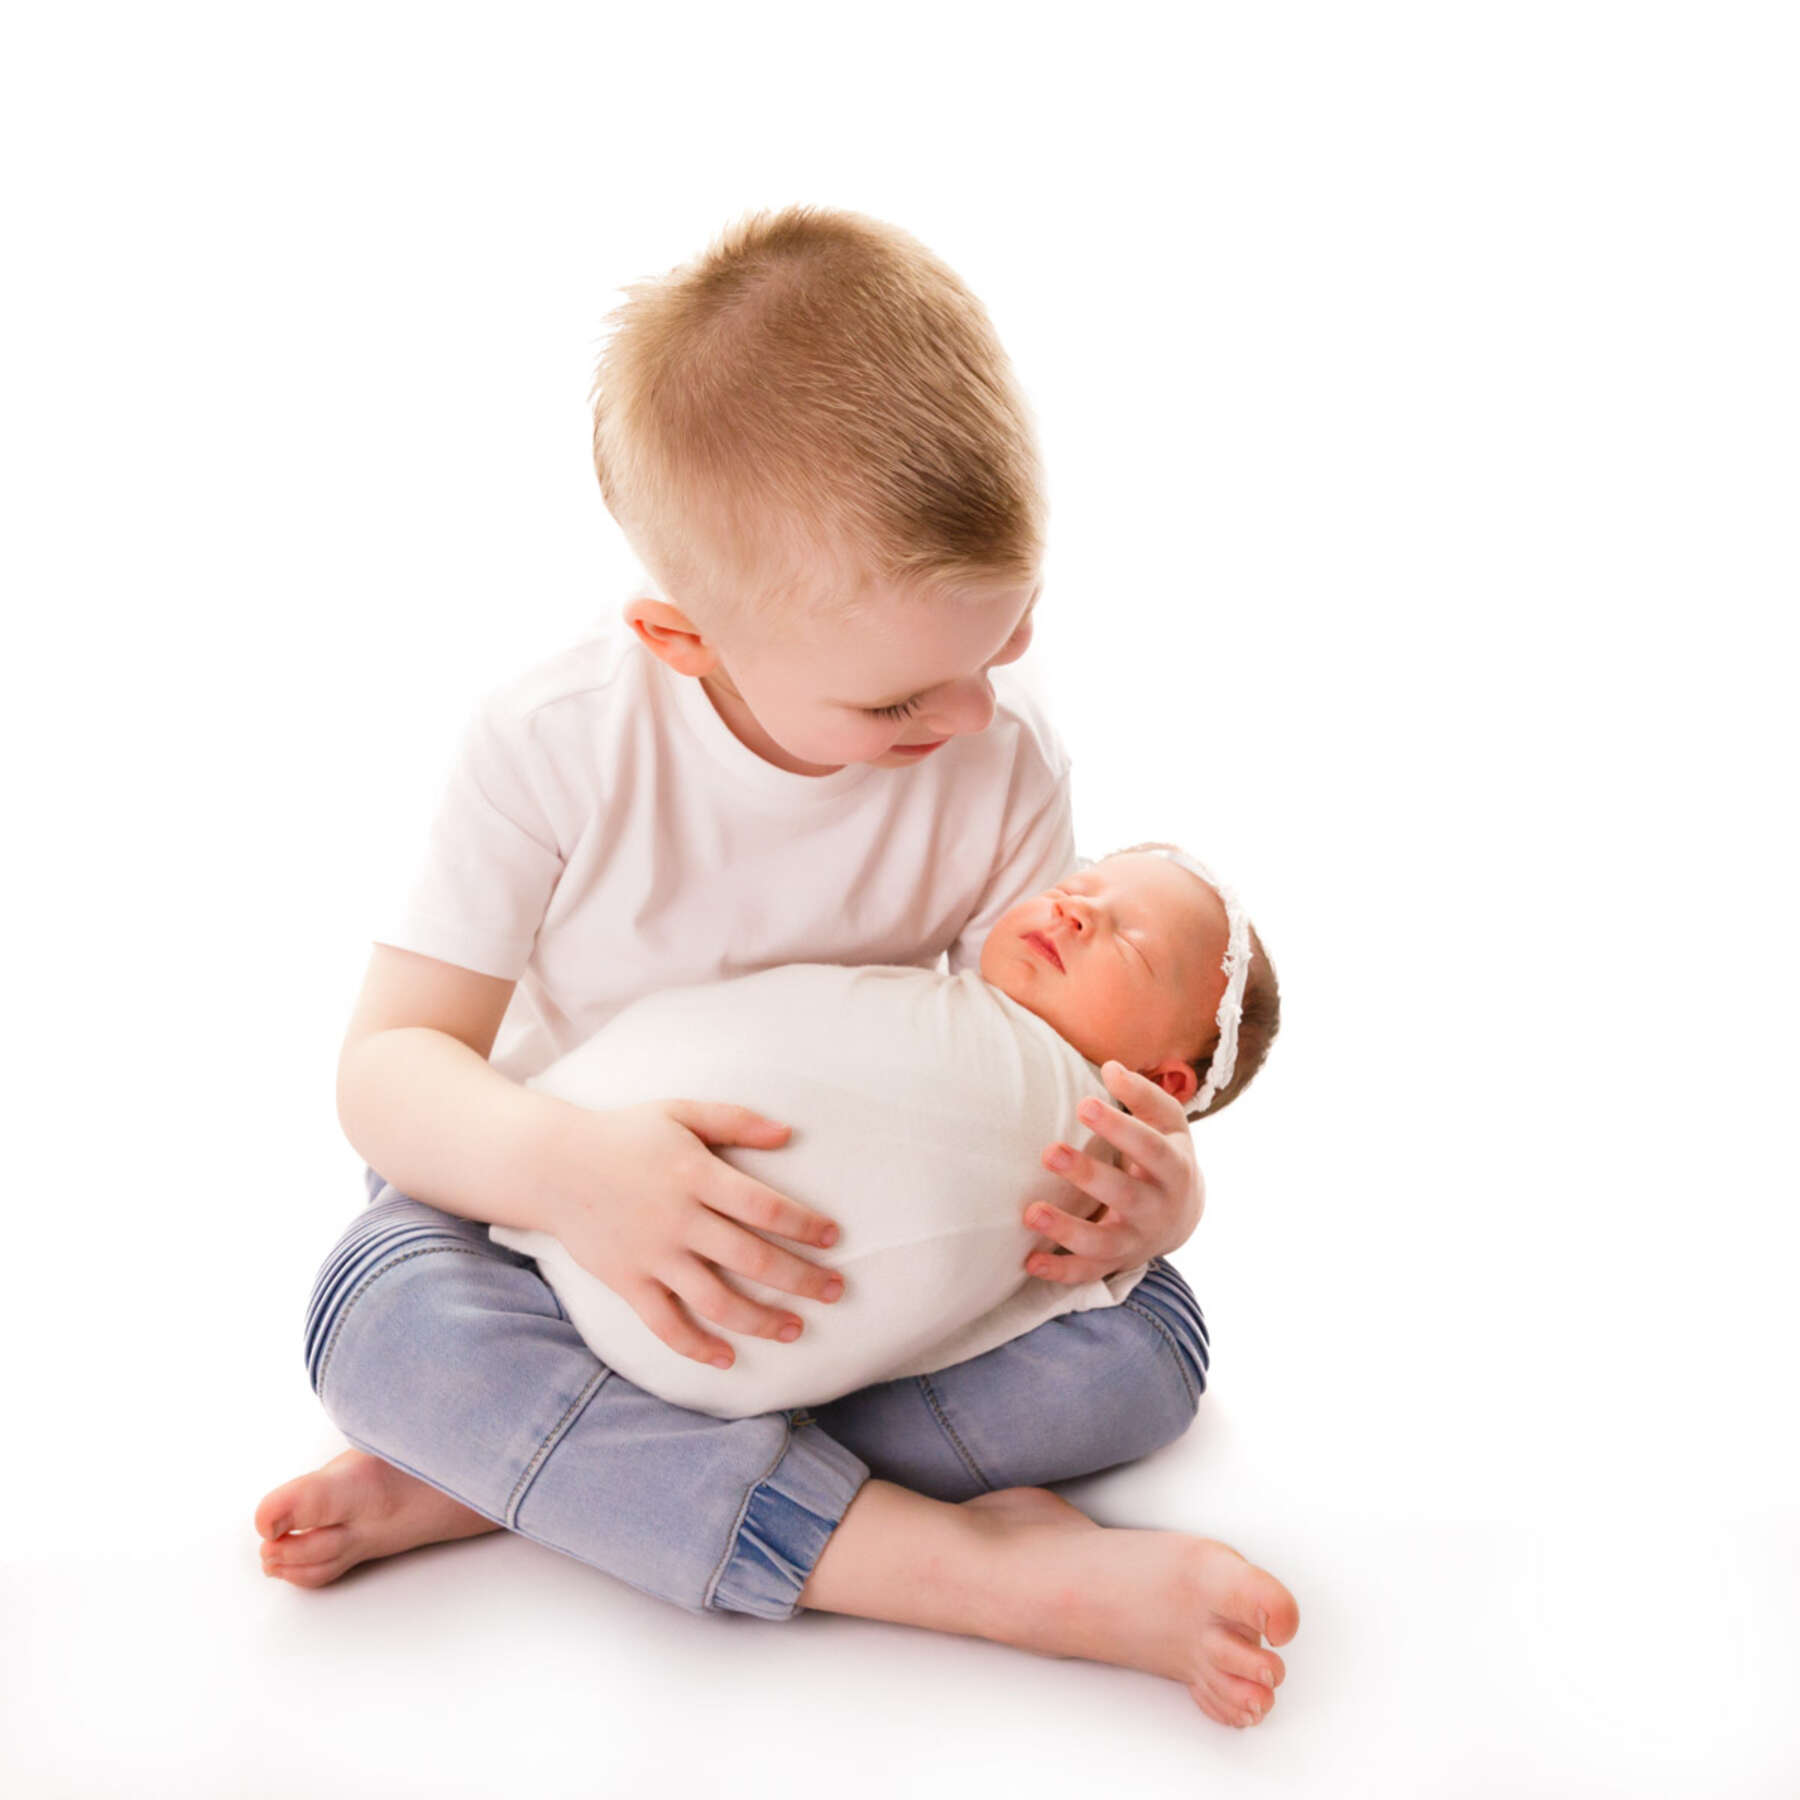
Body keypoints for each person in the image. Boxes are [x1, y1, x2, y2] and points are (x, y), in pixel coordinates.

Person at [254, 206, 1299, 1730]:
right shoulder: (552, 746)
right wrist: (571, 1176)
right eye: (898, 704)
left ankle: (553, 1473)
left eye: (1001, 647)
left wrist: (1142, 1200)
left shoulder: (1000, 764)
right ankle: (961, 1569)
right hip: (556, 1232)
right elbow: (389, 1068)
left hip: (847, 1272)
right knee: (382, 1322)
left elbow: (1030, 1066)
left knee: (1144, 1357)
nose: (963, 720)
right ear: (685, 641)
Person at [495, 845, 1280, 1422]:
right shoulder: (931, 1002)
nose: (1074, 909)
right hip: (557, 1165)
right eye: (1075, 885)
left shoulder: (1084, 1132)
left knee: (1140, 1367)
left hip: (677, 1329)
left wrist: (1173, 1209)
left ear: (1167, 1081)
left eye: (1130, 944)